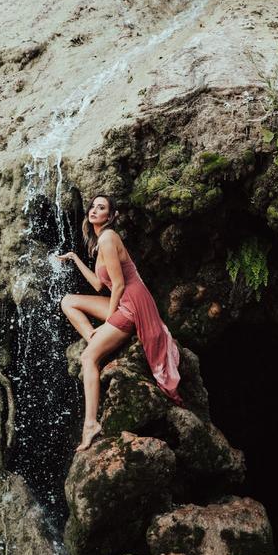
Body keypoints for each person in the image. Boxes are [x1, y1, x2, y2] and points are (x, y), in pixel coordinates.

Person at [57, 193, 184, 453]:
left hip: (132, 306)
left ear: (110, 216)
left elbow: (119, 285)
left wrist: (111, 321)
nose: (94, 210)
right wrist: (74, 257)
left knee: (88, 359)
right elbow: (97, 284)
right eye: (92, 206)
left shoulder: (108, 238)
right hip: (124, 303)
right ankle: (93, 335)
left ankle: (90, 424)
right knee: (68, 301)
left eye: (101, 208)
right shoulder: (98, 242)